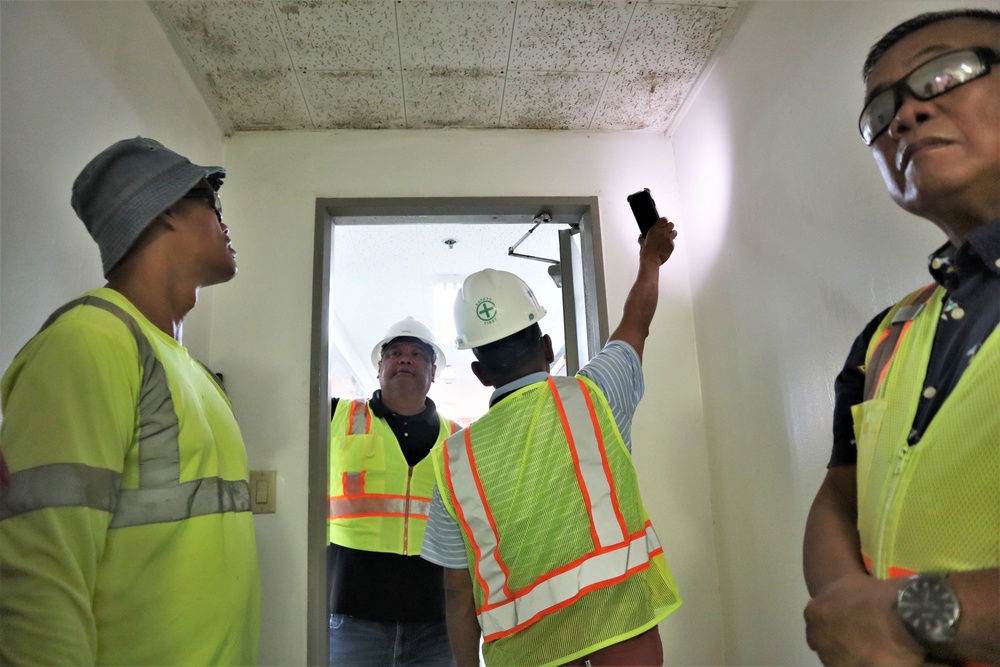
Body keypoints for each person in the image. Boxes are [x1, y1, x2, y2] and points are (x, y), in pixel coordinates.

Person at [0, 137, 262, 664]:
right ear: (166, 208)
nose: (225, 224)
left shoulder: (191, 371)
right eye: (213, 200)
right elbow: (39, 575)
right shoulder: (89, 340)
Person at [802, 9, 1000, 667]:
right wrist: (848, 611)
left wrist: (918, 616)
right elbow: (839, 491)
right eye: (881, 111)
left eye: (944, 75)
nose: (904, 117)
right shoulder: (886, 334)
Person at [421, 216, 683, 667]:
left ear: (480, 374)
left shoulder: (452, 460)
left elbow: (457, 591)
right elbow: (636, 321)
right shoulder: (595, 394)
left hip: (529, 653)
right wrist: (651, 258)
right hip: (623, 632)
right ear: (546, 347)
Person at [327, 316, 459, 667]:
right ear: (379, 367)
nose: (405, 359)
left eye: (417, 354)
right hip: (352, 618)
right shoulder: (334, 416)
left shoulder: (459, 441)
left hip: (435, 624)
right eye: (395, 352)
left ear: (432, 371)